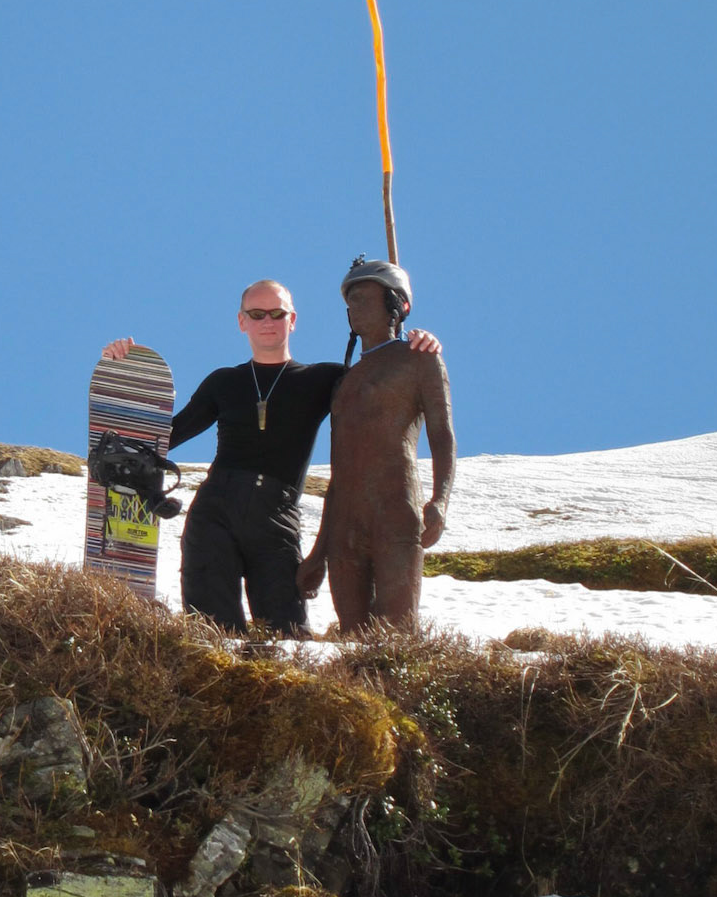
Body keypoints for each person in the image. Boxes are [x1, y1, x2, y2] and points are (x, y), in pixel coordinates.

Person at [102, 279, 440, 636]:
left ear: (292, 320)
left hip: (277, 516)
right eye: (257, 314)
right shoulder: (223, 382)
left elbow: (382, 379)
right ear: (241, 321)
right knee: (211, 633)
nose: (267, 321)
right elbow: (166, 436)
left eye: (277, 314)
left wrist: (413, 343)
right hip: (215, 511)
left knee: (287, 636)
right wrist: (123, 369)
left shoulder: (324, 378)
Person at [297, 258, 455, 634]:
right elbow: (339, 471)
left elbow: (442, 435)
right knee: (352, 635)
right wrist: (319, 552)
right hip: (344, 524)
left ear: (395, 305)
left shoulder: (420, 359)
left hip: (395, 510)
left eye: (364, 297)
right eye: (350, 300)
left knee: (398, 633)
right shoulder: (344, 382)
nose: (354, 306)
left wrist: (440, 500)